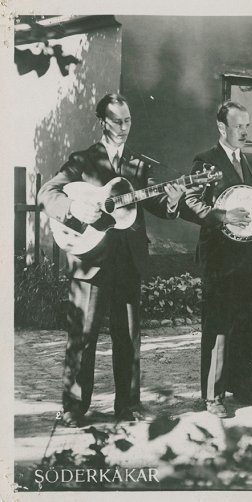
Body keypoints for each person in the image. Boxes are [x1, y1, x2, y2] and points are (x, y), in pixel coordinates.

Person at [38, 93, 185, 427]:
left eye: (128, 120)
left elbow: (159, 205)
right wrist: (75, 208)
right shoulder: (82, 161)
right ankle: (74, 407)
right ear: (101, 120)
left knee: (129, 338)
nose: (123, 127)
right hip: (90, 258)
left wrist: (173, 200)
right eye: (116, 120)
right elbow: (48, 194)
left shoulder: (139, 164)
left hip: (128, 261)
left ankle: (128, 406)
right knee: (83, 335)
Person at [183, 101, 252, 418]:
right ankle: (213, 395)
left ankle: (245, 389)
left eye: (247, 125)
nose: (244, 131)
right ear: (222, 128)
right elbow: (190, 203)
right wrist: (222, 215)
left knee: (247, 324)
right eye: (238, 125)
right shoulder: (205, 161)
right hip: (219, 259)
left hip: (250, 256)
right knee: (218, 325)